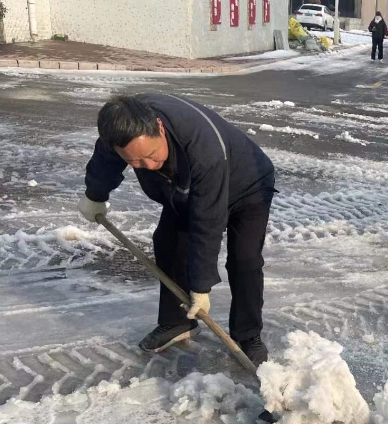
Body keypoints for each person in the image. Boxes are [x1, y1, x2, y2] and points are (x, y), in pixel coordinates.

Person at [78, 94, 276, 365]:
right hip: (185, 190)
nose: (146, 166)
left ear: (159, 128)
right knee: (168, 243)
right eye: (135, 162)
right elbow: (105, 164)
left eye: (149, 155)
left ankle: (247, 335)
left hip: (247, 185)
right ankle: (177, 322)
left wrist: (200, 286)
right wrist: (95, 195)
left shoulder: (203, 148)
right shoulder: (120, 129)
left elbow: (207, 222)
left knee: (245, 260)